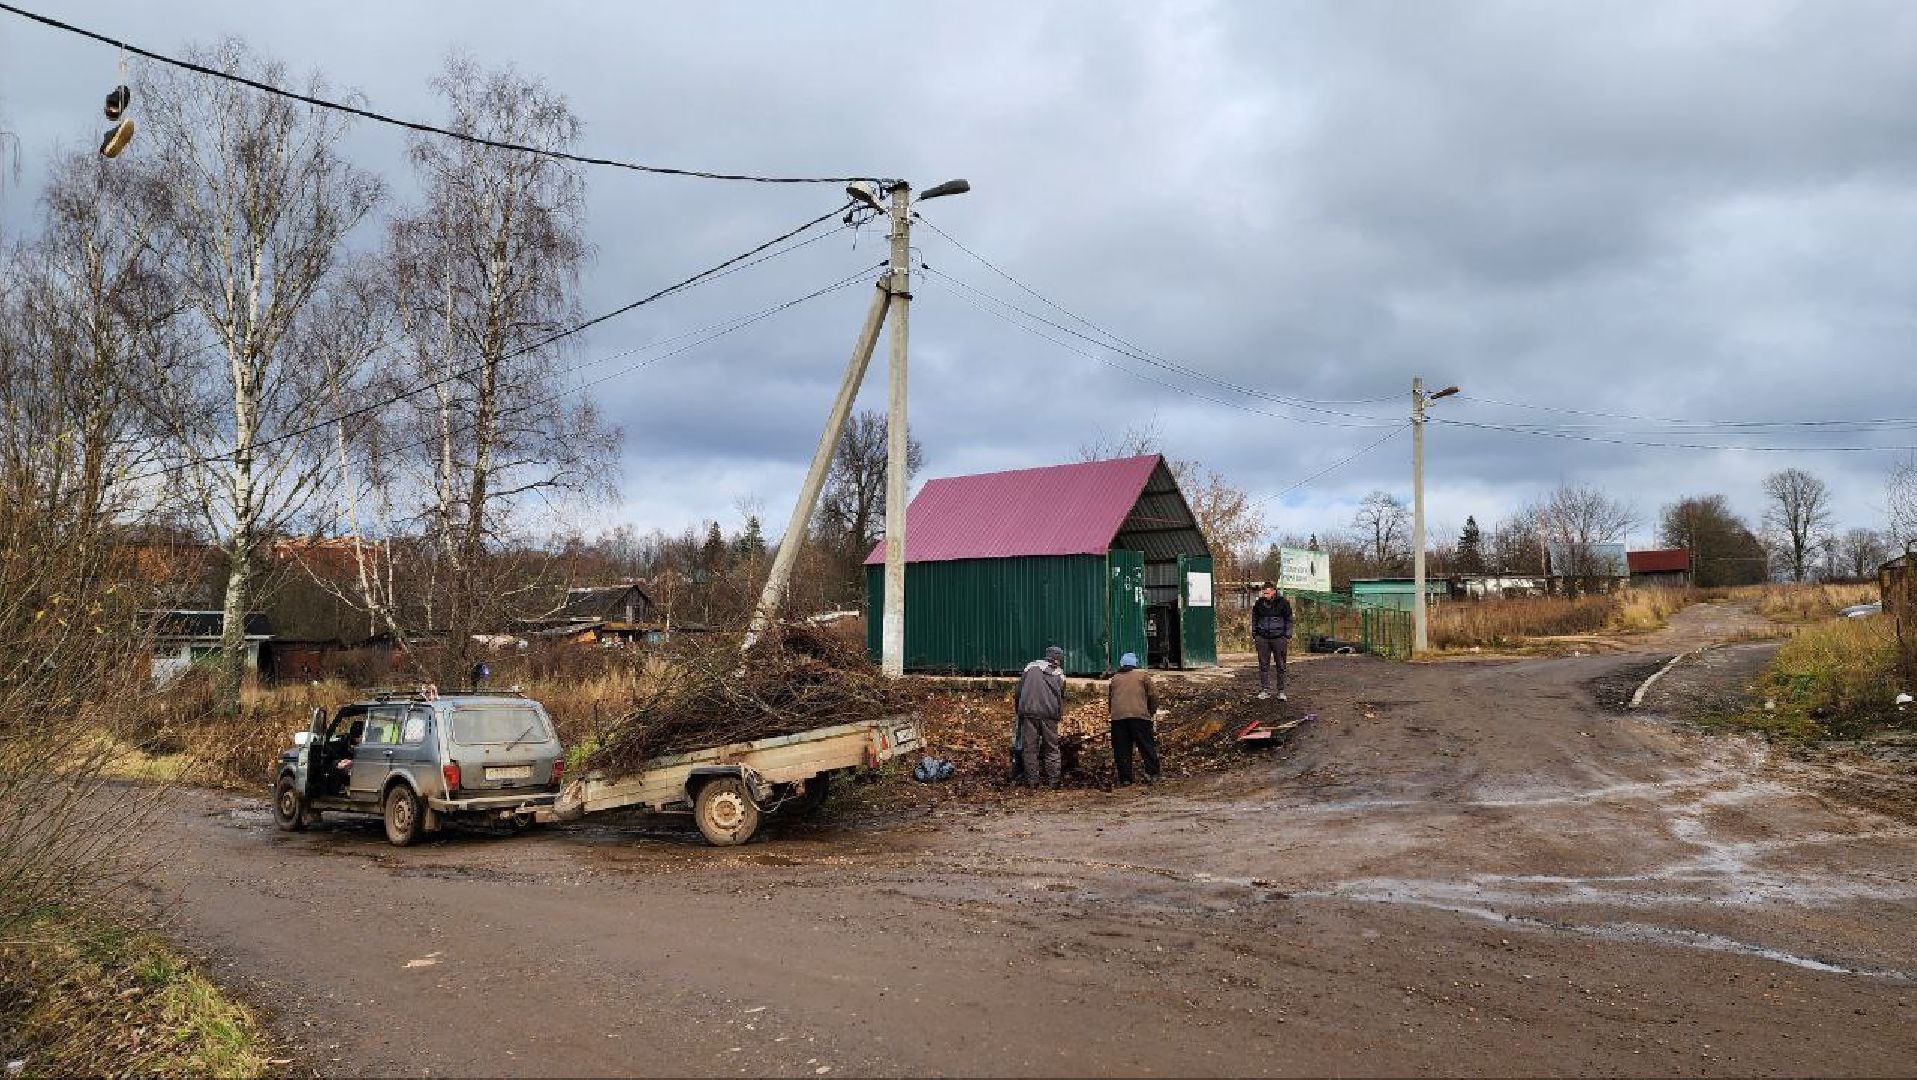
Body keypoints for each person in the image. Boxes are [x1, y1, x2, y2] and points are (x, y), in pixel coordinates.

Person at [1015, 645, 1067, 788]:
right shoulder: (1059, 673)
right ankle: (1054, 781)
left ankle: (1032, 782)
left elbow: (1018, 691)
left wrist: (1019, 710)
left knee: (1029, 748)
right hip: (1049, 715)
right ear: (1058, 659)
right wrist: (1058, 714)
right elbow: (1060, 696)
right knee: (1051, 747)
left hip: (1028, 712)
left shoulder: (1030, 667)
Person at [1107, 652, 1160, 785]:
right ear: (1135, 664)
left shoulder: (1115, 678)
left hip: (1118, 718)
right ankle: (1152, 773)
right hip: (1139, 717)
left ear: (1121, 664)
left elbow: (1110, 699)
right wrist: (1150, 712)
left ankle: (1125, 778)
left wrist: (1113, 714)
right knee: (1146, 745)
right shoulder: (1143, 676)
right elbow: (1153, 695)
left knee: (1122, 749)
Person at [1251, 581, 1292, 701]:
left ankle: (1281, 691)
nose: (1265, 595)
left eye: (1267, 593)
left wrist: (1287, 634)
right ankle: (1265, 690)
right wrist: (1255, 634)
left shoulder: (1283, 603)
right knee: (1263, 665)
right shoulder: (1259, 603)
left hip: (1279, 638)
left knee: (1281, 665)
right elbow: (1254, 618)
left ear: (1274, 591)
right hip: (1262, 638)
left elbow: (1289, 619)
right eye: (1264, 593)